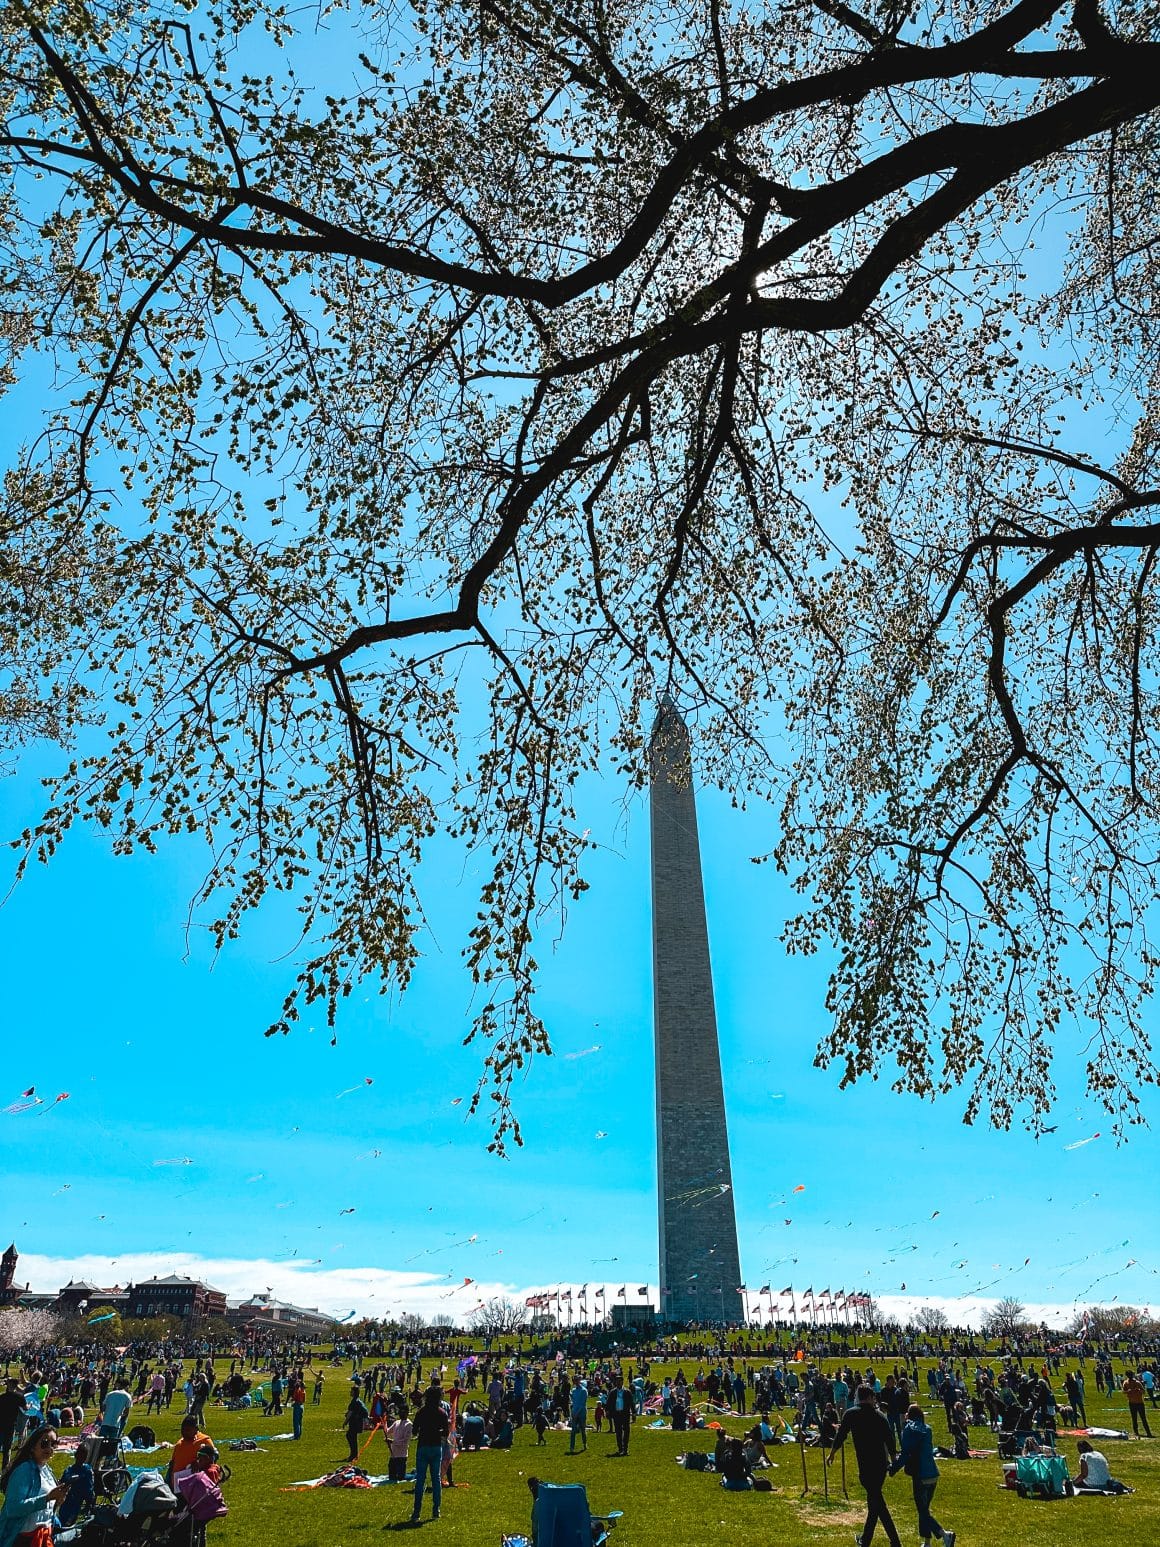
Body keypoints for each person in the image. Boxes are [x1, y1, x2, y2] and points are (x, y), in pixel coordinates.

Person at [828, 1386, 902, 1547]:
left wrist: (832, 1452)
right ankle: (866, 1540)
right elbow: (890, 1439)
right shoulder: (880, 1416)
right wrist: (893, 1458)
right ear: (869, 1397)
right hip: (880, 1465)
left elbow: (841, 1435)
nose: (875, 1400)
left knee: (878, 1505)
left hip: (865, 1465)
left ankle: (894, 1542)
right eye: (873, 1397)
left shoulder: (851, 1414)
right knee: (875, 1504)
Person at [892, 1404, 955, 1547]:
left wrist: (893, 1468)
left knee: (922, 1511)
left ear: (909, 1415)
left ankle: (945, 1535)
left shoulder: (908, 1429)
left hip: (920, 1475)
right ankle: (927, 1543)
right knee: (924, 1510)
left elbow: (905, 1454)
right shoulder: (928, 1429)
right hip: (933, 1473)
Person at [0, 1425, 67, 1547]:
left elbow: (46, 1508)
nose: (49, 1448)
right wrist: (47, 1498)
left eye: (53, 1444)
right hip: (22, 1540)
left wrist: (57, 1500)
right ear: (32, 1447)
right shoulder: (24, 1470)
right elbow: (13, 1508)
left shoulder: (47, 1470)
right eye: (45, 1443)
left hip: (43, 1536)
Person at [410, 1386, 449, 1523]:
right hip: (436, 1447)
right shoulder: (442, 1413)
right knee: (436, 1479)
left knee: (420, 1480)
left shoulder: (421, 1412)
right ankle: (436, 1510)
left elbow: (414, 1431)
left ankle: (416, 1512)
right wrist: (437, 1432)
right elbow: (446, 1432)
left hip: (423, 1446)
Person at [167, 1416, 214, 1487]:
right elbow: (173, 1463)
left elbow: (213, 1459)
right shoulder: (179, 1444)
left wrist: (199, 1463)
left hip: (195, 1485)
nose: (184, 1433)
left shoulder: (204, 1441)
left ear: (196, 1429)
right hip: (176, 1484)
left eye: (188, 1430)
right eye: (182, 1430)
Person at [57, 1441, 95, 1528]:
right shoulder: (70, 1470)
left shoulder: (85, 1471)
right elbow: (62, 1484)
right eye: (80, 1455)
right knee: (64, 1522)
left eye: (83, 1456)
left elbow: (89, 1490)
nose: (81, 1458)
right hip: (68, 1501)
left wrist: (89, 1502)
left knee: (67, 1521)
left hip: (75, 1501)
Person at [0, 1381, 24, 1472]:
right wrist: (30, 1405)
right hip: (11, 1425)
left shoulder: (2, 1397)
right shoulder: (19, 1397)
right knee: (7, 1449)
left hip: (1, 1424)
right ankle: (4, 1470)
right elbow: (25, 1408)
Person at [386, 1406, 412, 1482]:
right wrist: (384, 1422)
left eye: (402, 1412)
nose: (400, 1414)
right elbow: (387, 1431)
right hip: (393, 1453)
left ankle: (413, 1474)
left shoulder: (409, 1424)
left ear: (407, 1413)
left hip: (402, 1455)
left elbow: (405, 1441)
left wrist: (392, 1441)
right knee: (392, 1477)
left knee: (400, 1477)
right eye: (400, 1412)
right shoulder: (396, 1422)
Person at [1122, 1372, 1153, 1438]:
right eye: (1129, 1375)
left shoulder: (1137, 1383)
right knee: (1134, 1418)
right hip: (1131, 1403)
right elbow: (1123, 1391)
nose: (1130, 1376)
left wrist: (1139, 1390)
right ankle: (1136, 1433)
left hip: (1140, 1403)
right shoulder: (1125, 1383)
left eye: (1131, 1375)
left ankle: (1148, 1433)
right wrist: (1128, 1391)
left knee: (1143, 1418)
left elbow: (1143, 1391)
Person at [343, 1386, 369, 1463]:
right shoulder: (358, 1401)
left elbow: (350, 1413)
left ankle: (353, 1455)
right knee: (352, 1437)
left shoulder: (354, 1402)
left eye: (351, 1391)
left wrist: (345, 1422)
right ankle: (354, 1454)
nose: (350, 1392)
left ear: (354, 1392)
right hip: (357, 1422)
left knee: (350, 1436)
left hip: (355, 1422)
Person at [609, 1378, 634, 1456]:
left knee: (626, 1431)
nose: (619, 1383)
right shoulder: (613, 1392)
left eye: (620, 1381)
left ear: (622, 1382)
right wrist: (608, 1411)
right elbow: (609, 1402)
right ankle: (620, 1449)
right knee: (618, 1432)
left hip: (625, 1414)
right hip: (616, 1414)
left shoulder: (627, 1392)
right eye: (617, 1381)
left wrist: (634, 1412)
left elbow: (631, 1403)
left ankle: (625, 1449)